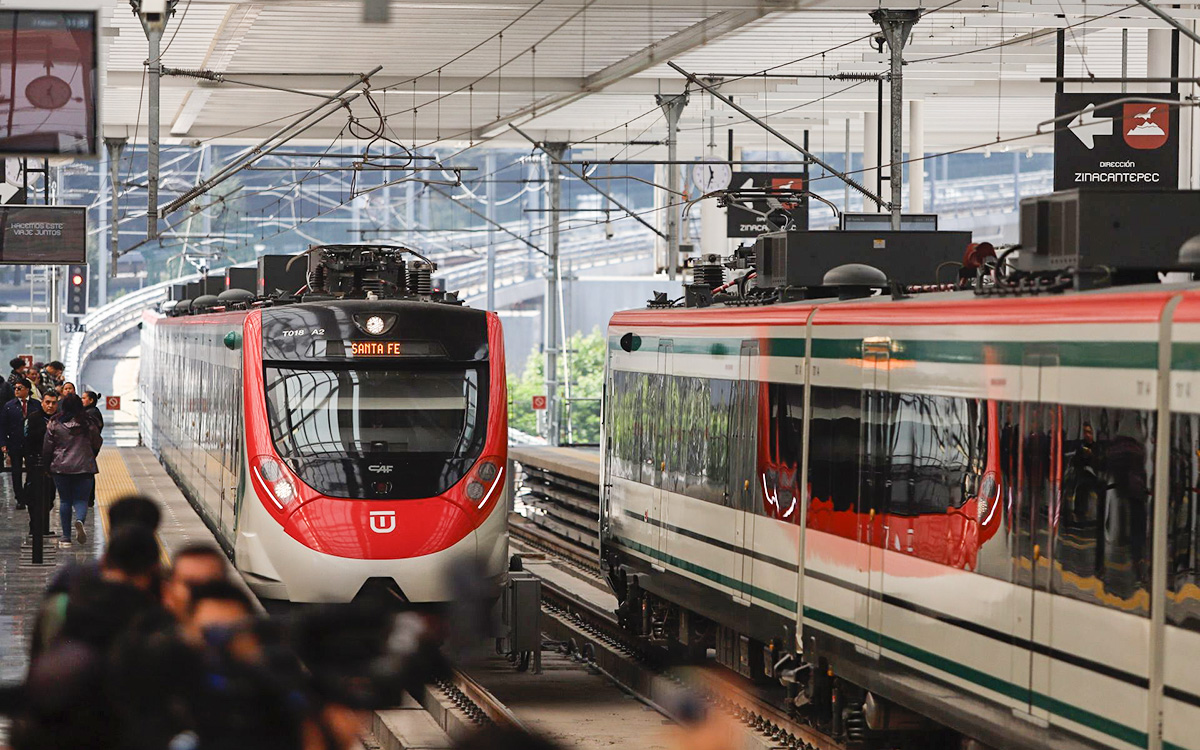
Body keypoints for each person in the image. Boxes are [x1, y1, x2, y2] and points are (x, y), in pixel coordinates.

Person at [41, 393, 100, 547]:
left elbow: (47, 447)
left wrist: (47, 466)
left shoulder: (55, 422)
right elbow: (97, 441)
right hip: (84, 467)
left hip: (61, 467)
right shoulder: (88, 422)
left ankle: (66, 537)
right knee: (81, 500)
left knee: (65, 500)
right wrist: (90, 454)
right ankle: (79, 520)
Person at [23, 389, 58, 539]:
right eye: (47, 402)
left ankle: (44, 527)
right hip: (35, 463)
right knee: (34, 497)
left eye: (53, 403)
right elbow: (27, 440)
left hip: (53, 465)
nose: (50, 406)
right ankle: (36, 528)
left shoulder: (59, 419)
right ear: (42, 402)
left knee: (49, 498)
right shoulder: (34, 418)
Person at [2, 378, 41, 510]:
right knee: (16, 471)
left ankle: (28, 493)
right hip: (15, 443)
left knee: (32, 470)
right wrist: (3, 443)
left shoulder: (36, 405)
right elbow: (3, 426)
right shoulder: (9, 406)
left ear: (27, 390)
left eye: (19, 388)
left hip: (32, 444)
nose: (16, 391)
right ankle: (19, 498)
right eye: (15, 388)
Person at [163, 544, 228, 621]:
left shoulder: (241, 630)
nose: (200, 592)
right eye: (191, 584)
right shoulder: (152, 629)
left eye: (211, 586)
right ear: (169, 590)